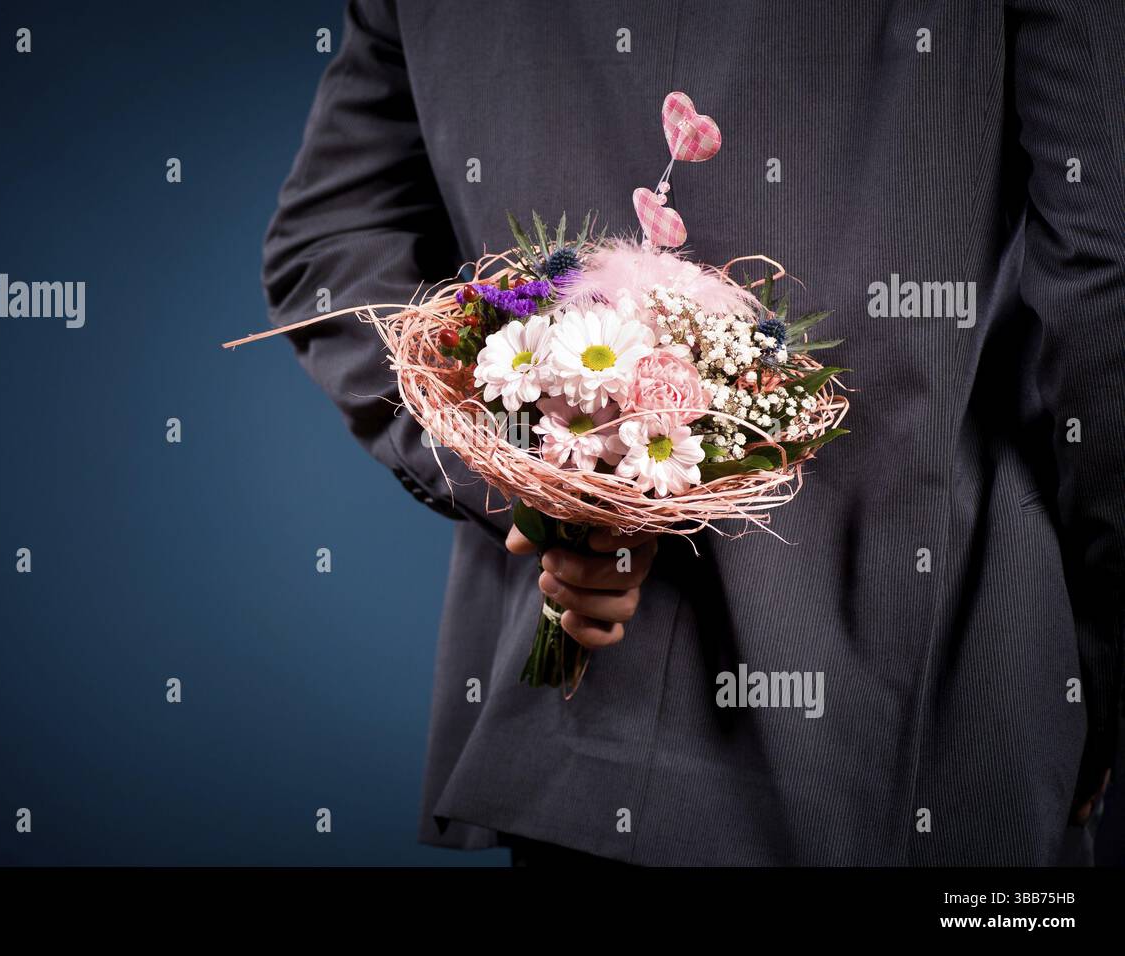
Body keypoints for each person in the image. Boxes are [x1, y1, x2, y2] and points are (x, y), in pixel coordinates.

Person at [263, 0, 1123, 865]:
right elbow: (1105, 280)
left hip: (582, 752)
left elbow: (330, 243)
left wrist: (545, 482)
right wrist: (1086, 666)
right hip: (930, 728)